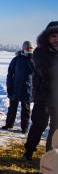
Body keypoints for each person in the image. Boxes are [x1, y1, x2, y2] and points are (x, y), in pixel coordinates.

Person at [24, 21, 58, 160]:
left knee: (56, 129)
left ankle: (51, 157)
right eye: (53, 36)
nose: (56, 39)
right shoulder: (40, 52)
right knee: (39, 124)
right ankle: (29, 151)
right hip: (43, 96)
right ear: (47, 38)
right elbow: (45, 72)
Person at [1, 41, 34, 133]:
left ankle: (25, 128)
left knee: (26, 110)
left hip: (27, 88)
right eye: (27, 48)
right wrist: (9, 86)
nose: (29, 50)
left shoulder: (33, 60)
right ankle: (9, 124)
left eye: (31, 48)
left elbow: (36, 72)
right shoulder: (16, 59)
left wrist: (30, 60)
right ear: (23, 49)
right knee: (12, 108)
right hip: (15, 87)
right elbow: (10, 73)